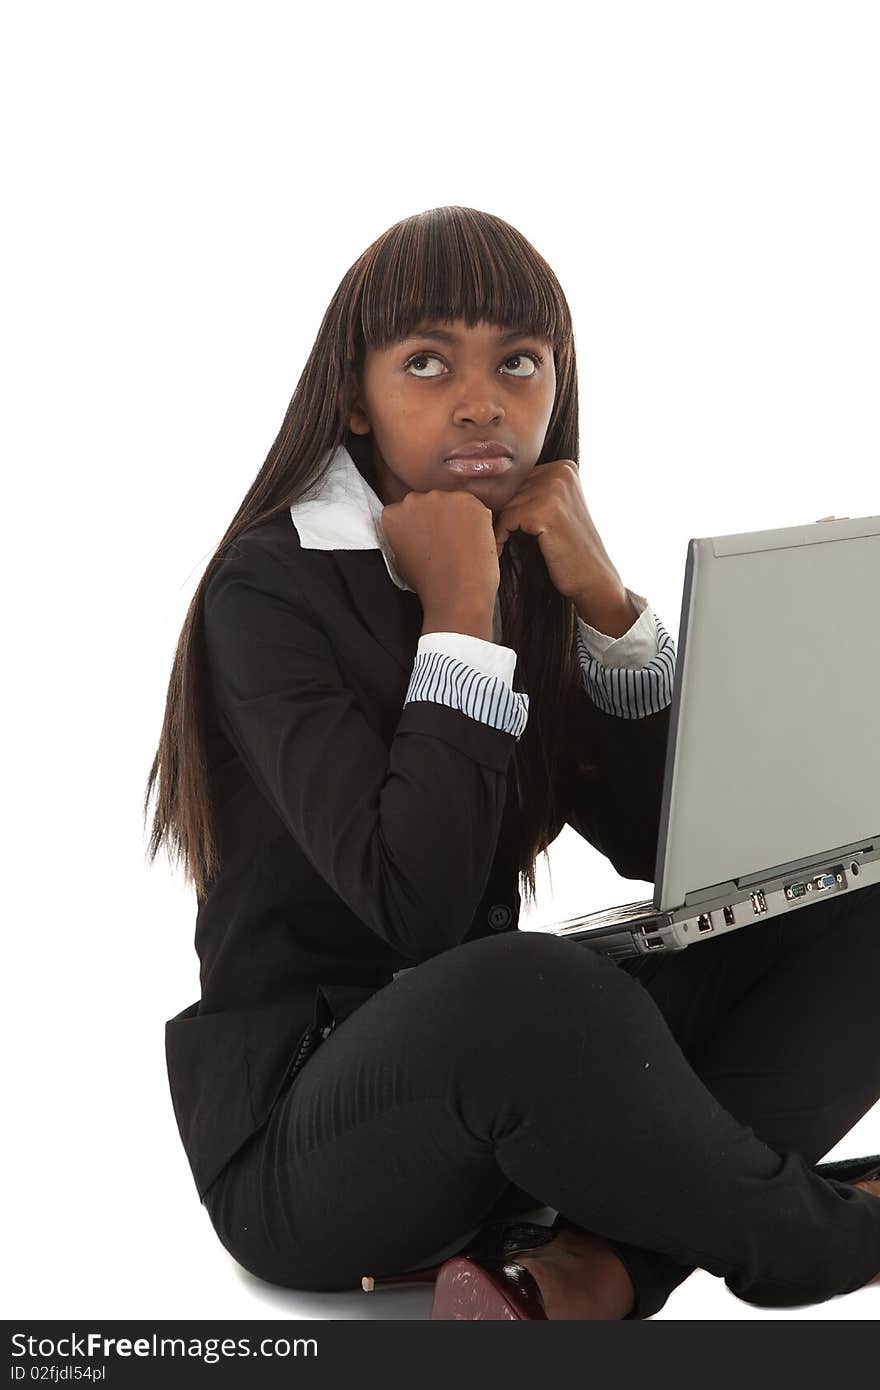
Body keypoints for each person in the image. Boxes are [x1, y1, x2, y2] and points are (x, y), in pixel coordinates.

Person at [144, 205, 880, 1319]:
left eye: (519, 363)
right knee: (534, 987)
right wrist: (456, 613)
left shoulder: (522, 559)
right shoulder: (270, 588)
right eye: (428, 362)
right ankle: (816, 1242)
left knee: (853, 899)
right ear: (355, 394)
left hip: (507, 1093)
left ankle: (588, 1273)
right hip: (309, 1144)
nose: (482, 401)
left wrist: (607, 604)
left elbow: (657, 845)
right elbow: (419, 912)